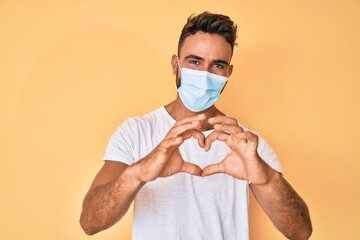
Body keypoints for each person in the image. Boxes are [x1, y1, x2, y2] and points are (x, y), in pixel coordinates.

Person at [80, 11, 312, 240]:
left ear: (228, 72)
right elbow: (90, 222)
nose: (205, 74)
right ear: (175, 65)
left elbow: (301, 232)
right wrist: (139, 172)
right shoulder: (136, 131)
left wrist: (267, 179)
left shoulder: (245, 144)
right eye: (194, 61)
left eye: (217, 65)